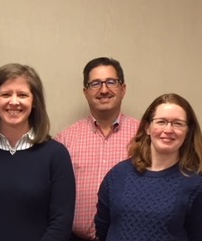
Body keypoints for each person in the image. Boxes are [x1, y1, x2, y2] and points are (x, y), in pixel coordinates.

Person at [0, 63, 75, 240]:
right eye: (6, 94)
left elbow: (61, 223)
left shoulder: (56, 156)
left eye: (23, 95)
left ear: (34, 103)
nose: (14, 102)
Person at [95, 93, 202, 241]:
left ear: (188, 131)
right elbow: (102, 228)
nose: (168, 130)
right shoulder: (117, 175)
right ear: (147, 127)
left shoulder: (197, 184)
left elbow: (199, 237)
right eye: (161, 122)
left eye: (178, 123)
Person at [54, 57, 139, 241]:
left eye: (111, 82)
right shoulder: (65, 140)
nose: (104, 90)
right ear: (85, 92)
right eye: (95, 84)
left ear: (123, 89)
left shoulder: (143, 137)